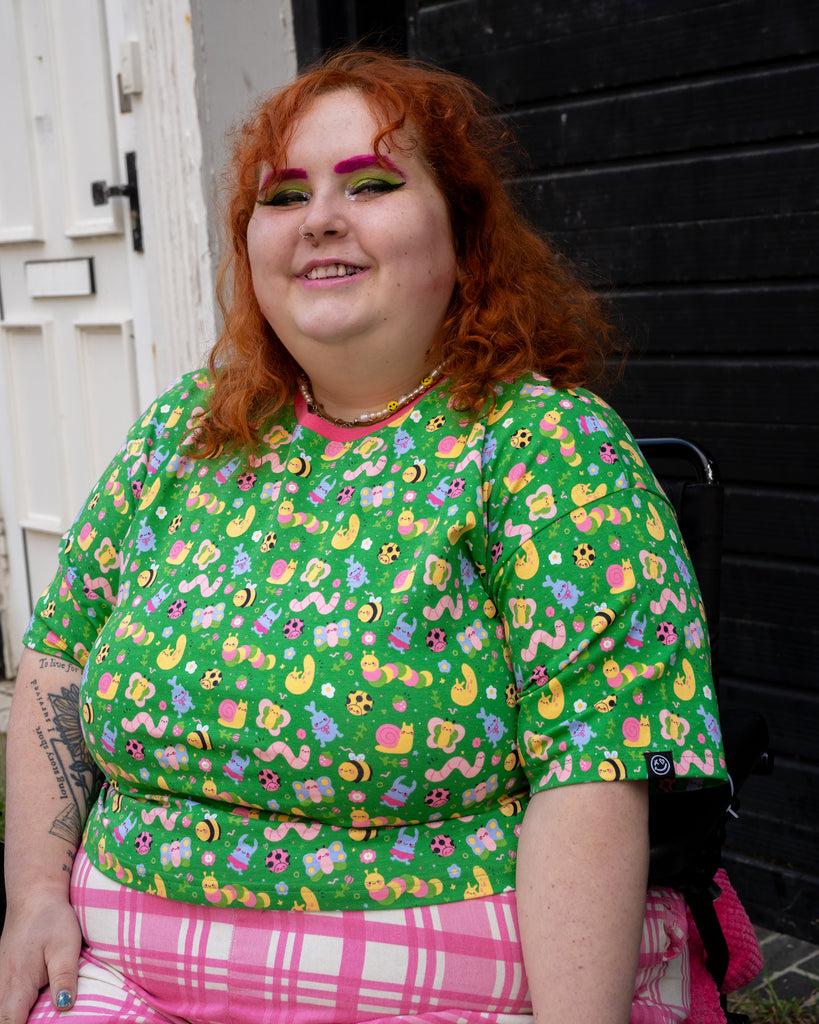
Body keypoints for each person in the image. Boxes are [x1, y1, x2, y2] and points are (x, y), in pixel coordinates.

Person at [0, 48, 728, 1024]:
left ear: (465, 243)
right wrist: (37, 893)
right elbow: (59, 653)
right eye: (284, 195)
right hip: (126, 978)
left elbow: (593, 769)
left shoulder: (544, 447)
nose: (321, 219)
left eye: (372, 183)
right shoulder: (189, 430)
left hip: (433, 992)